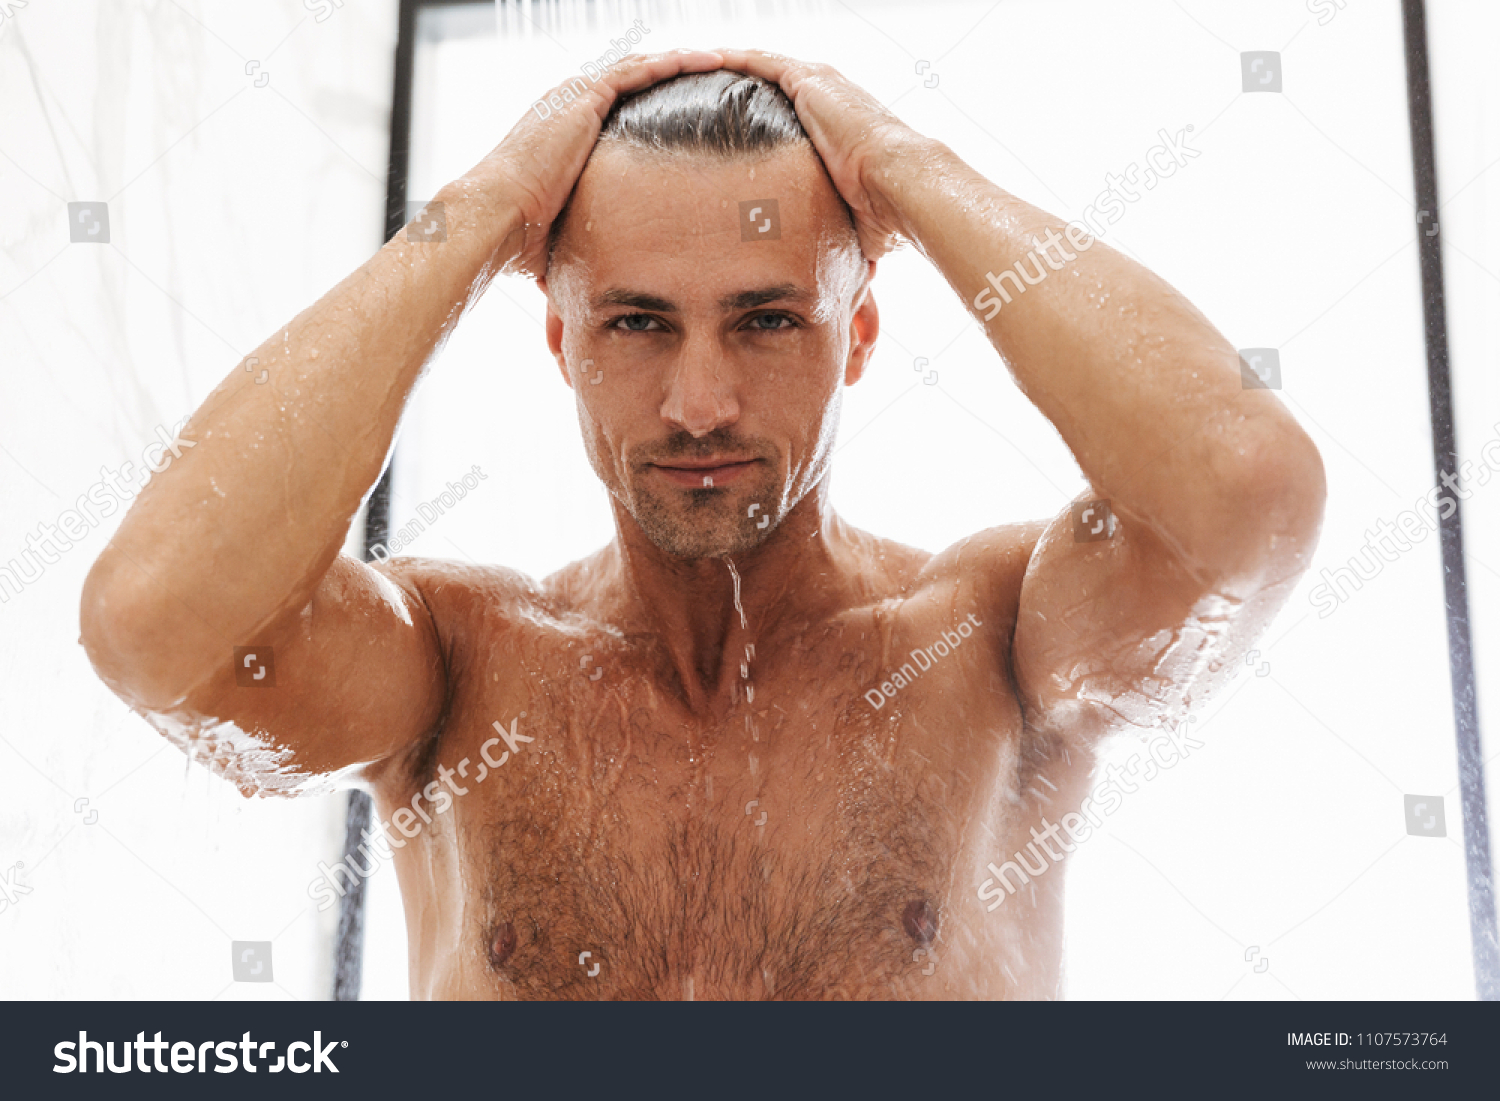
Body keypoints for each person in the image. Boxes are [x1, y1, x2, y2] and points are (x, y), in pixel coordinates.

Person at [79, 49, 1325, 999]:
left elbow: (1242, 491)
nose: (699, 404)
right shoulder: (459, 665)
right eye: (636, 323)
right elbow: (157, 624)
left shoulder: (994, 643)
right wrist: (485, 212)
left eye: (769, 319)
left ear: (860, 335)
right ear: (560, 341)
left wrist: (904, 168)